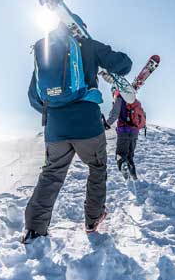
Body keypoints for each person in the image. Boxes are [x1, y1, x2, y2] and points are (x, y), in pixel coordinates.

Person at [22, 24, 132, 243]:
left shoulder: (44, 50)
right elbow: (124, 65)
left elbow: (34, 97)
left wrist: (56, 110)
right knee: (97, 168)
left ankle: (34, 229)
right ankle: (93, 219)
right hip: (87, 124)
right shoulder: (88, 45)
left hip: (55, 128)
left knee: (51, 174)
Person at [105, 88, 145, 180]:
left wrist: (106, 124)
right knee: (130, 156)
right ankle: (134, 178)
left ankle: (125, 172)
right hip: (135, 132)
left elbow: (114, 114)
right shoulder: (134, 101)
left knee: (121, 154)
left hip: (124, 130)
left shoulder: (119, 98)